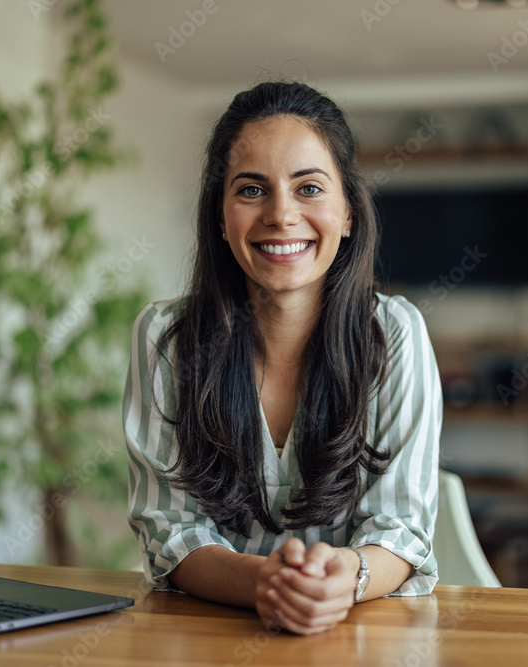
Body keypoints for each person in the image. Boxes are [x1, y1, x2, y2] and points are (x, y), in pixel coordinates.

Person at [123, 81, 442, 635]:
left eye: (309, 187)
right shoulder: (165, 337)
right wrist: (264, 582)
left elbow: (402, 530)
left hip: (359, 638)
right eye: (251, 190)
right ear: (220, 218)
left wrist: (344, 577)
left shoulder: (394, 333)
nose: (281, 214)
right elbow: (170, 529)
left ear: (347, 213)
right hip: (210, 637)